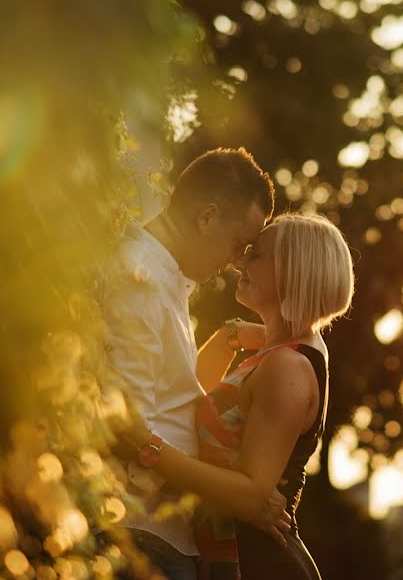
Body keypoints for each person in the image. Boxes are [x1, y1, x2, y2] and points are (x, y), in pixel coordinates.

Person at [120, 212, 355, 579]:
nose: (240, 262)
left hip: (258, 565)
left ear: (294, 272)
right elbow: (187, 402)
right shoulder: (280, 356)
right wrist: (229, 336)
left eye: (256, 256)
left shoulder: (286, 367)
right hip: (225, 557)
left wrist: (147, 449)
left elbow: (250, 495)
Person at [102, 147, 287, 580]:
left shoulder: (164, 279)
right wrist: (233, 496)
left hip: (162, 536)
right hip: (141, 537)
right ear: (206, 217)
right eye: (239, 244)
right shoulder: (139, 279)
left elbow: (172, 401)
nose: (237, 261)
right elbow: (125, 427)